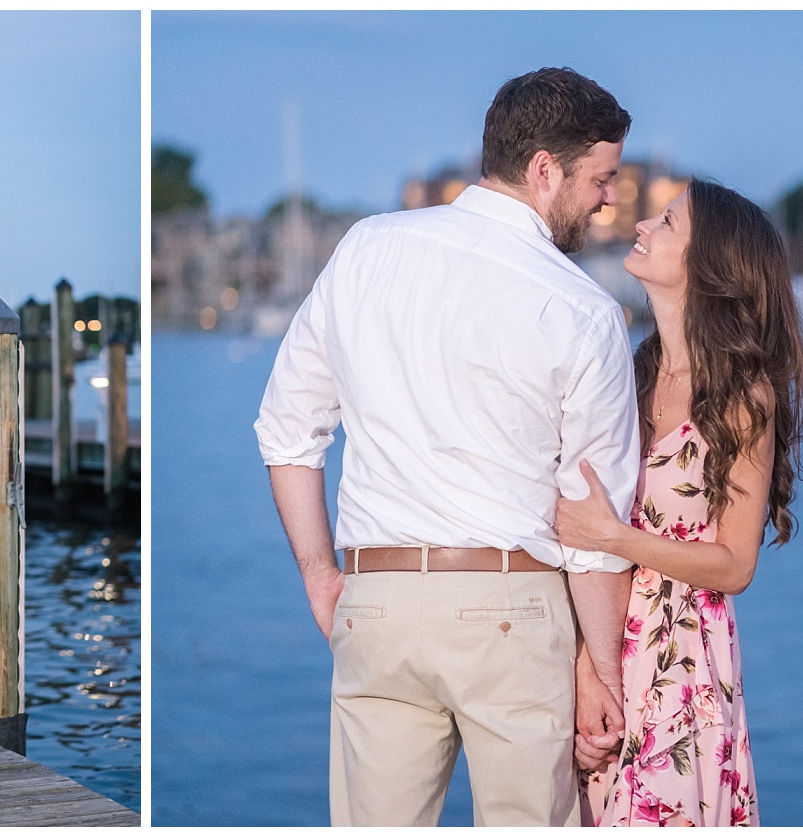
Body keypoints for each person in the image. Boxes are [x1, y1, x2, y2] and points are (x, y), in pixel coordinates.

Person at [256, 67, 641, 826]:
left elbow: (286, 428)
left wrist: (319, 576)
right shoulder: (584, 310)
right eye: (601, 179)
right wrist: (603, 670)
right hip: (511, 608)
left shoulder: (366, 248)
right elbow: (592, 522)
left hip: (376, 601)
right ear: (543, 170)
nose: (608, 200)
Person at [557, 179, 803, 827]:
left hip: (682, 655)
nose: (643, 225)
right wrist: (589, 664)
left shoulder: (742, 395)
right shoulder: (629, 371)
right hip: (600, 637)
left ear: (709, 264)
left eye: (667, 223)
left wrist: (614, 536)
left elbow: (734, 564)